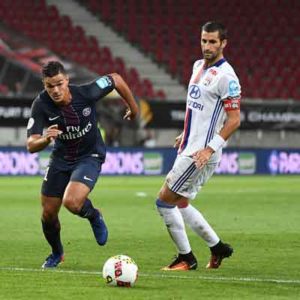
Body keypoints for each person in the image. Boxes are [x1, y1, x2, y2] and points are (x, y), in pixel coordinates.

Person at [26, 61, 139, 269]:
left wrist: (133, 108)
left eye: (59, 83)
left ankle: (94, 215)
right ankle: (57, 253)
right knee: (48, 213)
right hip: (60, 158)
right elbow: (31, 144)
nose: (56, 90)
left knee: (72, 202)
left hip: (90, 154)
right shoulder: (40, 105)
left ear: (67, 80)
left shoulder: (86, 93)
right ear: (44, 85)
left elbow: (116, 78)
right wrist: (44, 139)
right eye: (50, 86)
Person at [155, 21, 241, 270]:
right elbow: (198, 108)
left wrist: (209, 148)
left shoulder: (227, 77)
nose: (207, 46)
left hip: (201, 153)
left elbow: (234, 120)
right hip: (191, 145)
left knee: (164, 201)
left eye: (213, 41)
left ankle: (186, 258)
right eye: (204, 40)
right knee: (180, 203)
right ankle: (218, 248)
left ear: (223, 43)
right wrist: (186, 132)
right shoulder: (197, 66)